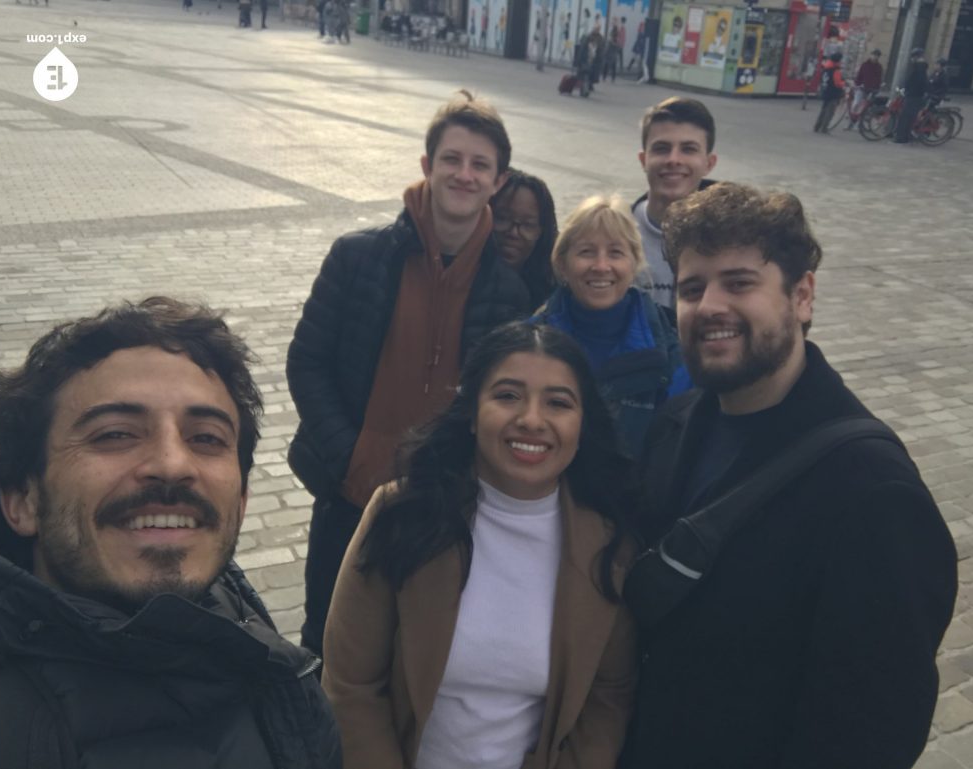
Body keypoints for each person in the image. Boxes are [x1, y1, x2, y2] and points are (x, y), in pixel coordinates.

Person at [621, 183, 958, 769]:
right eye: (693, 288)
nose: (710, 306)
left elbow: (870, 729)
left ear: (802, 296)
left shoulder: (872, 491)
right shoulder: (678, 421)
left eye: (740, 283)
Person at [0, 297, 341, 769]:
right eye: (115, 434)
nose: (172, 465)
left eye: (206, 438)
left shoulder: (250, 634)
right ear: (22, 500)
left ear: (241, 501)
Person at [322, 320, 637, 769]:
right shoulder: (402, 513)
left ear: (583, 423)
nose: (531, 419)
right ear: (471, 413)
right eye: (507, 396)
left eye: (558, 403)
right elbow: (350, 684)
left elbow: (609, 696)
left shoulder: (609, 544)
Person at [287, 91, 529, 655]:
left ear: (498, 180)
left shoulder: (507, 291)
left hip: (441, 503)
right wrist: (351, 453)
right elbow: (308, 361)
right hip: (351, 493)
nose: (464, 174)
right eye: (452, 159)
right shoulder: (358, 257)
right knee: (327, 638)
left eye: (480, 165)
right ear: (428, 165)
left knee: (415, 649)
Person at [533, 196, 689, 458]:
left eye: (615, 253)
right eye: (586, 252)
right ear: (562, 263)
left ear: (634, 263)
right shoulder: (528, 342)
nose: (601, 266)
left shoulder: (671, 357)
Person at [632, 96, 717, 317]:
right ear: (643, 160)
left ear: (709, 163)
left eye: (688, 149)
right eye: (661, 148)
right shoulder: (617, 234)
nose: (674, 159)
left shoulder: (733, 240)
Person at [490, 168, 558, 311]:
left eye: (528, 224)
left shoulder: (555, 297)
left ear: (542, 232)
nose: (514, 233)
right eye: (502, 218)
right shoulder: (460, 279)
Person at [895, 47, 928, 143]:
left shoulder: (919, 68)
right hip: (914, 95)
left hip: (913, 96)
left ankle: (901, 138)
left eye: (913, 57)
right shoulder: (920, 67)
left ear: (916, 57)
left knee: (906, 116)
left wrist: (907, 89)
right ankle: (905, 137)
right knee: (909, 117)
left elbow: (914, 82)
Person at [847, 48, 883, 128]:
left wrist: (877, 88)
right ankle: (852, 121)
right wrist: (856, 84)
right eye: (873, 55)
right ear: (871, 55)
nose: (875, 57)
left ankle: (860, 123)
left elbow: (878, 79)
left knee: (865, 108)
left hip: (872, 89)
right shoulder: (865, 65)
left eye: (877, 56)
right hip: (862, 87)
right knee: (856, 103)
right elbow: (859, 75)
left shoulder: (879, 67)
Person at [813, 51, 846, 134]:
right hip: (833, 93)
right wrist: (844, 83)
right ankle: (824, 128)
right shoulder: (835, 70)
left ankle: (817, 126)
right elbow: (838, 83)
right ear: (838, 61)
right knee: (830, 112)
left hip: (826, 91)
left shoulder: (826, 68)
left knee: (823, 110)